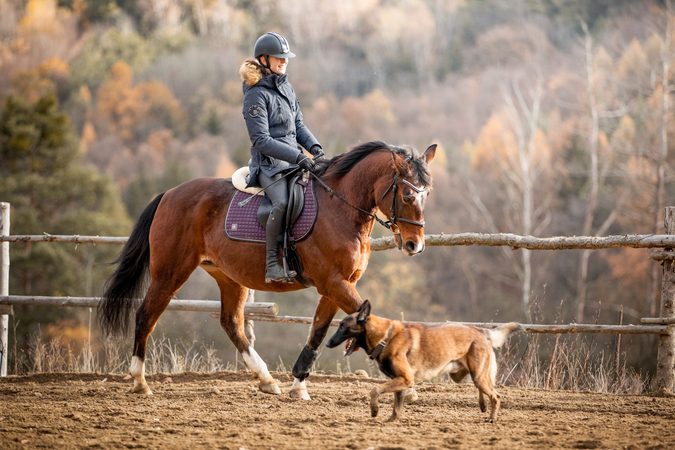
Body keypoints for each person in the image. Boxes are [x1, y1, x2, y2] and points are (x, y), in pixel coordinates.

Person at [239, 31, 323, 283]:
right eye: (279, 58)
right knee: (282, 203)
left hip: (294, 161)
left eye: (286, 59)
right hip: (269, 165)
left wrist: (315, 147)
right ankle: (272, 264)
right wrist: (298, 156)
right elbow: (261, 140)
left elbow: (298, 126)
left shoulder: (286, 87)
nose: (284, 62)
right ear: (263, 59)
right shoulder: (255, 95)